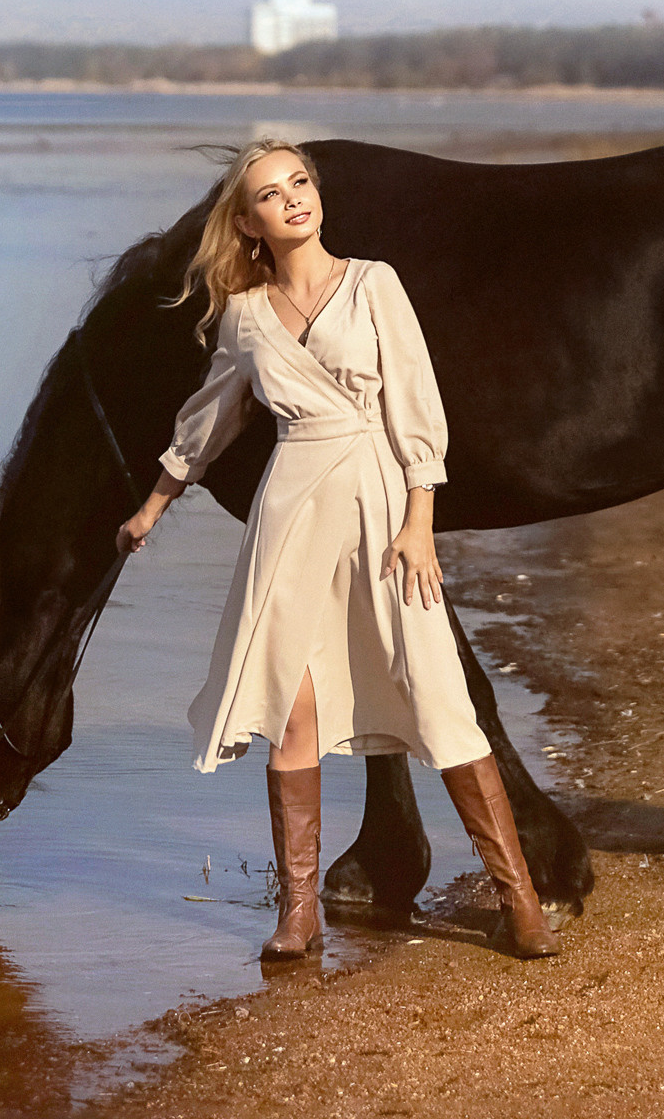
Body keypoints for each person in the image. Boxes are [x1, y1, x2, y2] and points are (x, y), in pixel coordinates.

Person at [116, 140, 558, 961]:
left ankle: (521, 902)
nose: (293, 199)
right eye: (270, 194)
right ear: (246, 223)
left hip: (384, 506)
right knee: (293, 709)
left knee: (437, 697)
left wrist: (420, 519)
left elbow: (416, 402)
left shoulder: (374, 283)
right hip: (291, 520)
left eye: (300, 183)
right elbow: (208, 421)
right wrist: (152, 507)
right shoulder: (244, 316)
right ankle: (299, 914)